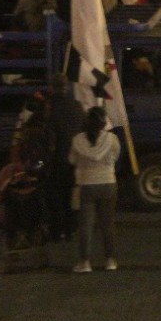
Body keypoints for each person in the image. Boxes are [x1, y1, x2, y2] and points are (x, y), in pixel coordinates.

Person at [69, 105, 120, 273]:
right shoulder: (112, 139)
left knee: (86, 225)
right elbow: (115, 156)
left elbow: (72, 160)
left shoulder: (78, 140)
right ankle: (110, 260)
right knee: (108, 224)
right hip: (108, 182)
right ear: (103, 123)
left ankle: (85, 262)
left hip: (87, 184)